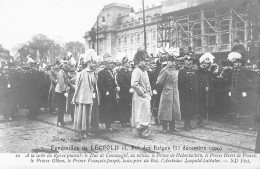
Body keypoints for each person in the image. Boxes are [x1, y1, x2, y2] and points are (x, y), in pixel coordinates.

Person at [72, 50, 97, 138]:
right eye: (93, 63)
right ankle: (83, 132)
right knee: (83, 115)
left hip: (89, 97)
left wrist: (92, 92)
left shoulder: (92, 73)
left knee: (88, 114)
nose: (95, 65)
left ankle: (87, 130)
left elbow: (92, 85)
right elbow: (80, 86)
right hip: (83, 97)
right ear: (89, 62)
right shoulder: (83, 73)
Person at [156, 54, 181, 134]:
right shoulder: (164, 70)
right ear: (167, 61)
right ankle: (164, 127)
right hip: (167, 93)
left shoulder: (175, 70)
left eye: (174, 61)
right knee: (165, 110)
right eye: (171, 61)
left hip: (175, 92)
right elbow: (159, 82)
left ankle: (172, 127)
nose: (173, 63)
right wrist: (165, 87)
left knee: (174, 110)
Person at [131, 50, 152, 139]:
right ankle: (142, 133)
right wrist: (143, 94)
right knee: (140, 115)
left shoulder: (144, 70)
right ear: (140, 60)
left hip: (146, 97)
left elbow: (148, 83)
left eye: (147, 61)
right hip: (140, 97)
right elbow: (134, 84)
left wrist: (150, 93)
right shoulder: (137, 70)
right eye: (145, 61)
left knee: (146, 114)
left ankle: (143, 132)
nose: (147, 62)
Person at [97, 53, 118, 131]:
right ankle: (107, 124)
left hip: (111, 93)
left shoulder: (111, 72)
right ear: (105, 64)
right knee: (107, 109)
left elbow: (113, 82)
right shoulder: (102, 72)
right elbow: (100, 83)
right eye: (109, 63)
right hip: (106, 94)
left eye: (111, 63)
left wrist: (116, 87)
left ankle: (110, 123)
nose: (111, 64)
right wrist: (105, 91)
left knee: (111, 108)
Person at [178, 55, 199, 130]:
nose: (189, 62)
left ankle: (189, 123)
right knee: (186, 108)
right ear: (184, 61)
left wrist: (195, 91)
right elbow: (180, 83)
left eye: (190, 61)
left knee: (191, 108)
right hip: (185, 93)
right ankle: (186, 124)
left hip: (192, 93)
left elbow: (195, 82)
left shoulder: (193, 71)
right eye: (187, 60)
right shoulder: (181, 71)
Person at [116, 57, 132, 127]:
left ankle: (127, 120)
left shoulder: (129, 72)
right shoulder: (120, 72)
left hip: (129, 92)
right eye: (128, 62)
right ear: (124, 63)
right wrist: (128, 88)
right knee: (123, 106)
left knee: (128, 106)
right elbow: (121, 82)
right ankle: (123, 121)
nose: (129, 64)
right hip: (123, 92)